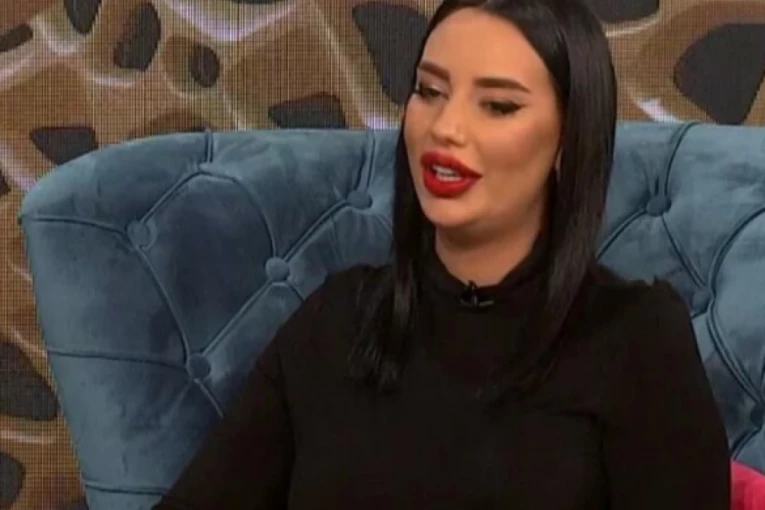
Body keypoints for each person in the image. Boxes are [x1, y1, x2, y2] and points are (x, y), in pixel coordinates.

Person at [153, 0, 731, 507]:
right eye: (429, 92)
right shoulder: (339, 318)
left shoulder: (637, 339)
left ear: (567, 139)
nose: (445, 128)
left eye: (497, 106)